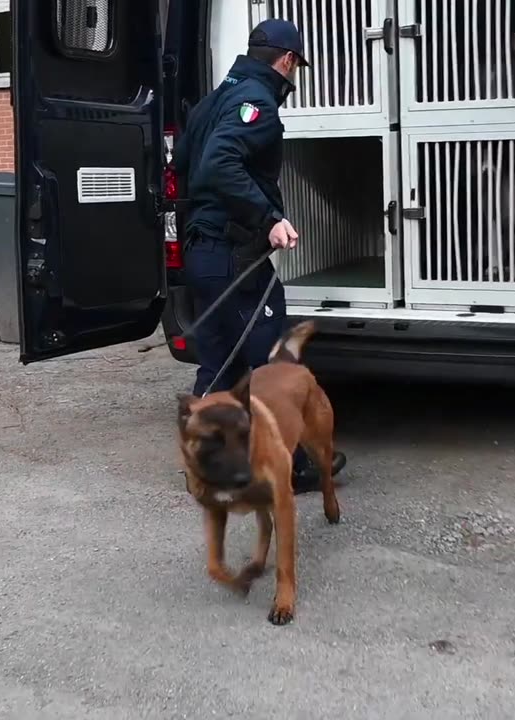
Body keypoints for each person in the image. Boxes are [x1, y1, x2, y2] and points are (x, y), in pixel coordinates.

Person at [173, 18, 347, 493]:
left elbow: (183, 164)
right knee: (272, 361)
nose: (295, 77)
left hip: (203, 251)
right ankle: (294, 466)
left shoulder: (213, 100)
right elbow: (219, 163)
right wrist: (268, 218)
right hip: (233, 254)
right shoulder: (258, 103)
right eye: (297, 67)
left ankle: (202, 462)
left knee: (219, 359)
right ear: (288, 60)